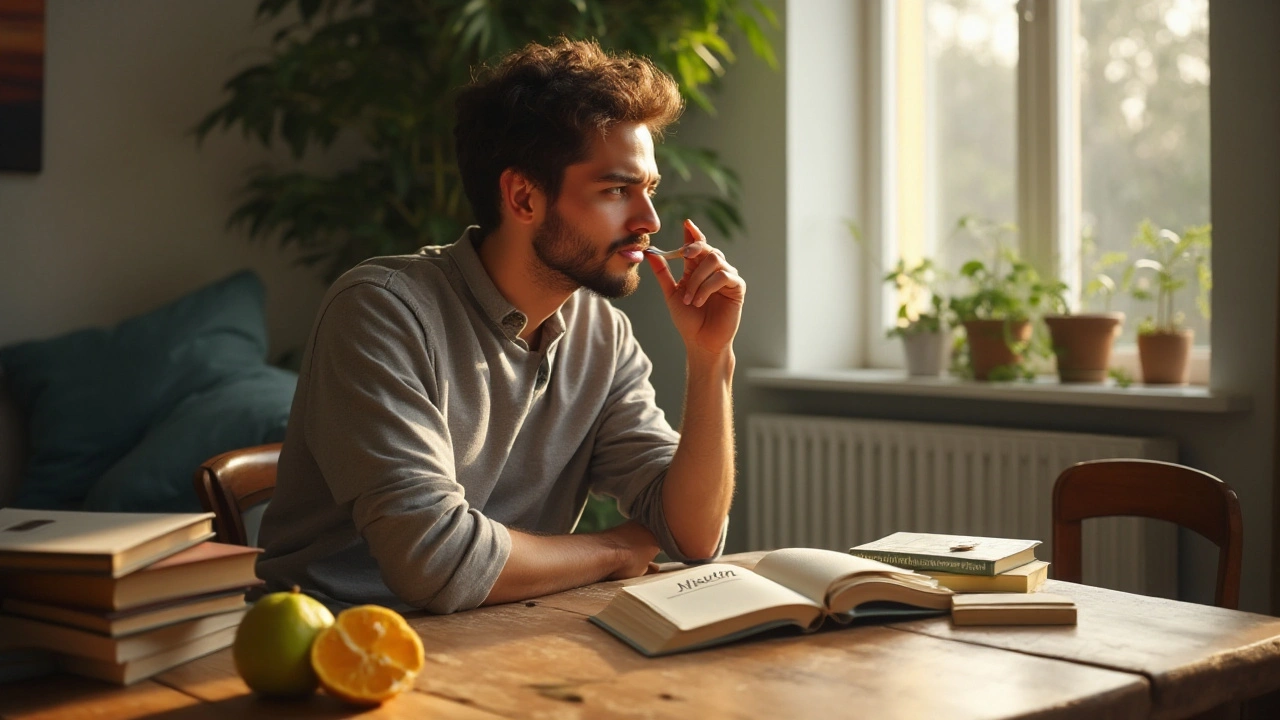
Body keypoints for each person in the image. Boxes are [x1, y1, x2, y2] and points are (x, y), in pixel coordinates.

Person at [255, 38, 745, 614]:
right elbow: (433, 563)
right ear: (522, 197)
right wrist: (617, 547)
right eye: (617, 190)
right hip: (339, 650)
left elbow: (692, 535)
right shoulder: (382, 312)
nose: (650, 220)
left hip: (508, 633)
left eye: (650, 189)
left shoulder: (601, 335)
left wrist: (711, 359)